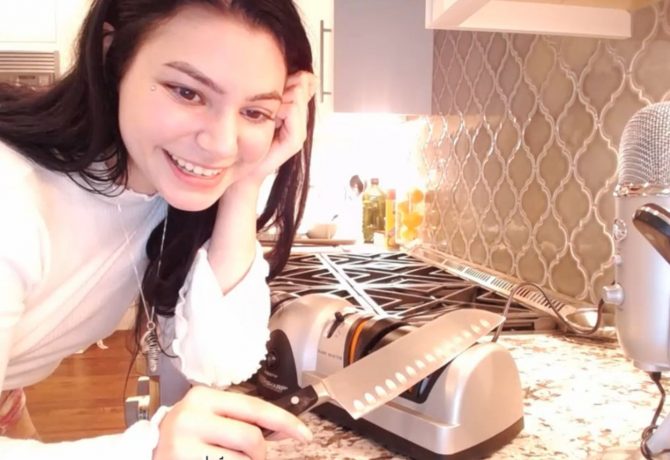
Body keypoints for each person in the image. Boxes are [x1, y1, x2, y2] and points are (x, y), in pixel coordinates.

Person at [0, 0, 317, 458]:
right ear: (113, 54)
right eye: (187, 92)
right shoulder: (12, 196)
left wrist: (245, 182)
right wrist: (146, 451)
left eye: (255, 112)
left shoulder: (163, 191)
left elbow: (219, 363)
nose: (221, 145)